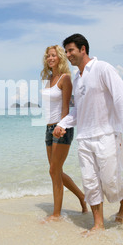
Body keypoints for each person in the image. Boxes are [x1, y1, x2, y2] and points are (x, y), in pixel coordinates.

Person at [53, 34, 123, 233]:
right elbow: (77, 111)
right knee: (90, 182)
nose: (67, 55)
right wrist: (62, 124)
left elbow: (121, 96)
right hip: (84, 138)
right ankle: (98, 224)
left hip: (107, 134)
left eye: (70, 50)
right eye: (65, 51)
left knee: (110, 181)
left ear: (83, 49)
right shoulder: (77, 78)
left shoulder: (103, 68)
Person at [41, 45, 87, 222]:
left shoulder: (65, 79)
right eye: (47, 56)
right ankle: (82, 197)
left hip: (61, 129)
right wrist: (51, 127)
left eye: (53, 55)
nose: (50, 58)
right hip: (48, 128)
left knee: (54, 170)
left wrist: (61, 127)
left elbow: (67, 107)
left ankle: (56, 214)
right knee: (55, 171)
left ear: (60, 58)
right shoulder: (48, 79)